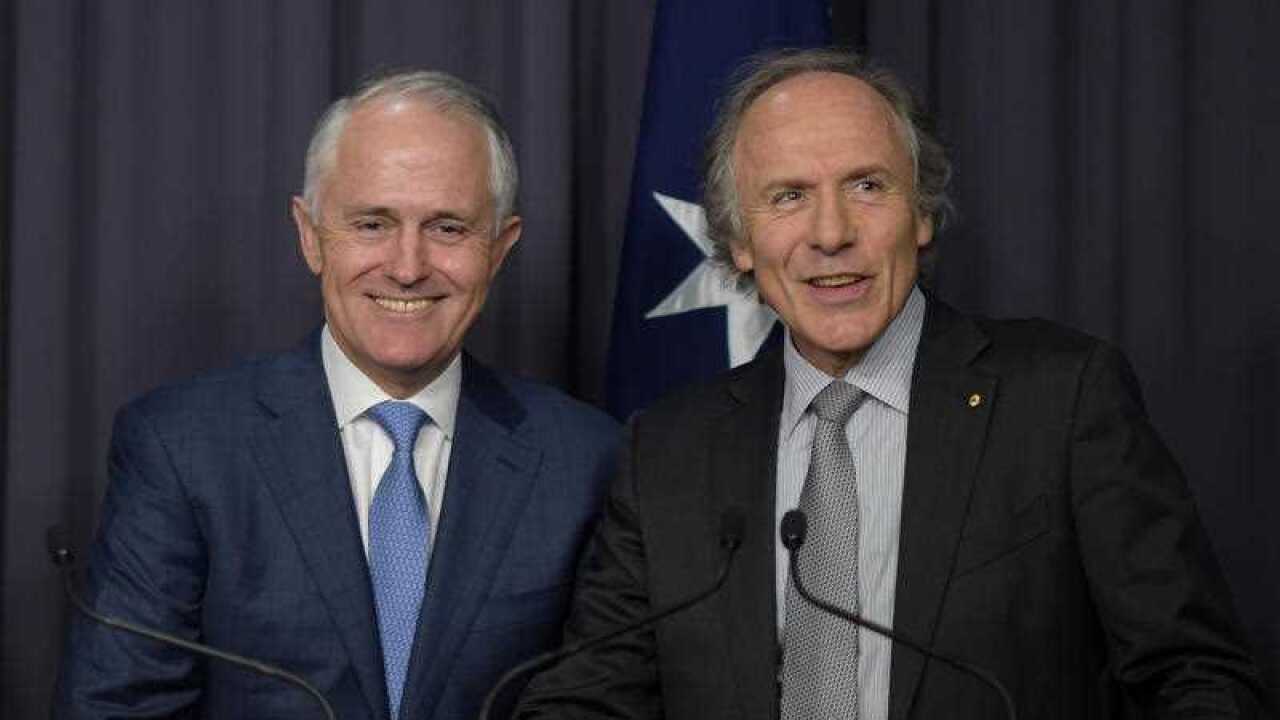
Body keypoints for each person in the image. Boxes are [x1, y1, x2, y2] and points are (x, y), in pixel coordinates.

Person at [515, 49, 1271, 719]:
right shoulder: (669, 451)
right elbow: (589, 695)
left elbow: (1195, 677)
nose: (831, 232)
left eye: (867, 185)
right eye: (787, 197)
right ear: (740, 243)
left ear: (921, 214)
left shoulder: (1063, 399)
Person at [54, 70, 618, 720]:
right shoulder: (183, 448)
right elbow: (116, 708)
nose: (407, 266)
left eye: (449, 228)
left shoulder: (586, 460)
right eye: (372, 224)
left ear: (501, 248)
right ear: (309, 234)